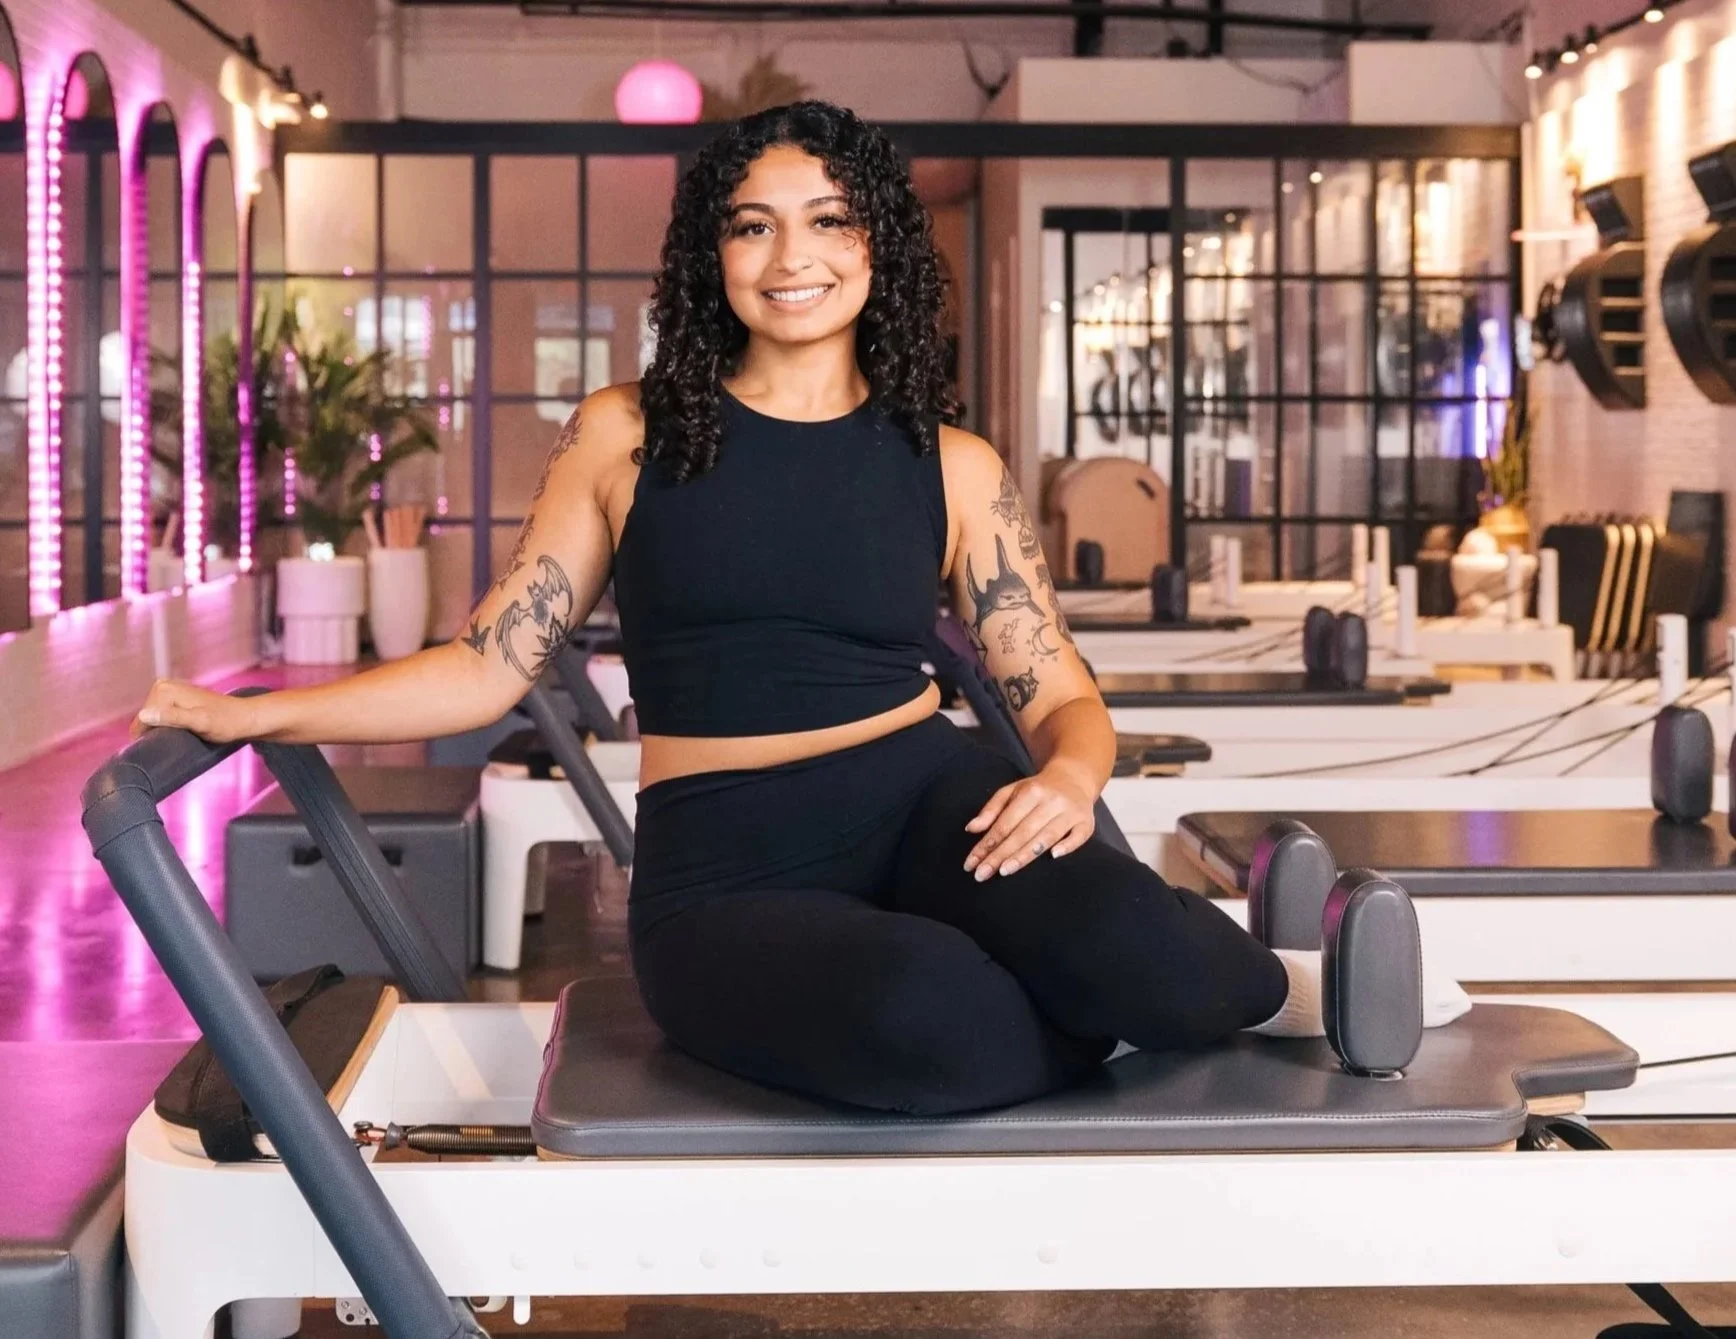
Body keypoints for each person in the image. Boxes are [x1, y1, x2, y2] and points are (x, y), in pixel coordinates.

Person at [133, 101, 1465, 1117]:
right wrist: (259, 711)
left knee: (1136, 943)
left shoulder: (952, 465)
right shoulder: (624, 434)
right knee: (929, 1017)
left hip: (928, 800)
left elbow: (1054, 680)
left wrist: (1071, 770)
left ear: (876, 243)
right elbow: (489, 664)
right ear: (712, 251)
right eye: (752, 222)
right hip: (724, 870)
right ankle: (1105, 996)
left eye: (829, 219)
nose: (792, 257)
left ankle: (1299, 980)